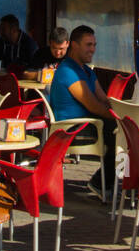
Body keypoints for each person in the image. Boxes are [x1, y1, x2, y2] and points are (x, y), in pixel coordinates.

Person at [47, 25, 116, 198]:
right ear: (74, 45)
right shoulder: (68, 71)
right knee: (119, 130)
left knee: (123, 129)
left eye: (94, 45)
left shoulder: (86, 70)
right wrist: (119, 117)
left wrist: (121, 111)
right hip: (72, 129)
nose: (92, 49)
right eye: (88, 45)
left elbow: (103, 99)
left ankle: (109, 181)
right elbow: (93, 105)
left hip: (89, 123)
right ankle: (102, 182)